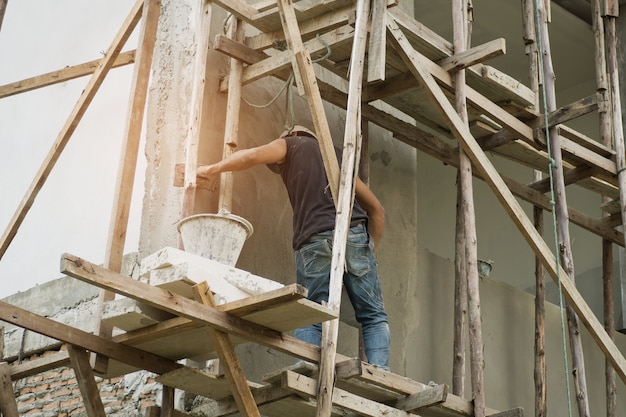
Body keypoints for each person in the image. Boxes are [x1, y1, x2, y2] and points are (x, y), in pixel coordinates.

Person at [196, 125, 390, 370]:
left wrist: (210, 170)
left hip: (315, 237)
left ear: (294, 135)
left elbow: (251, 156)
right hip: (355, 236)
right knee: (373, 315)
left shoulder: (292, 144)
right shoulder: (338, 156)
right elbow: (377, 211)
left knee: (312, 312)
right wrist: (367, 251)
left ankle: (307, 365)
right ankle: (381, 372)